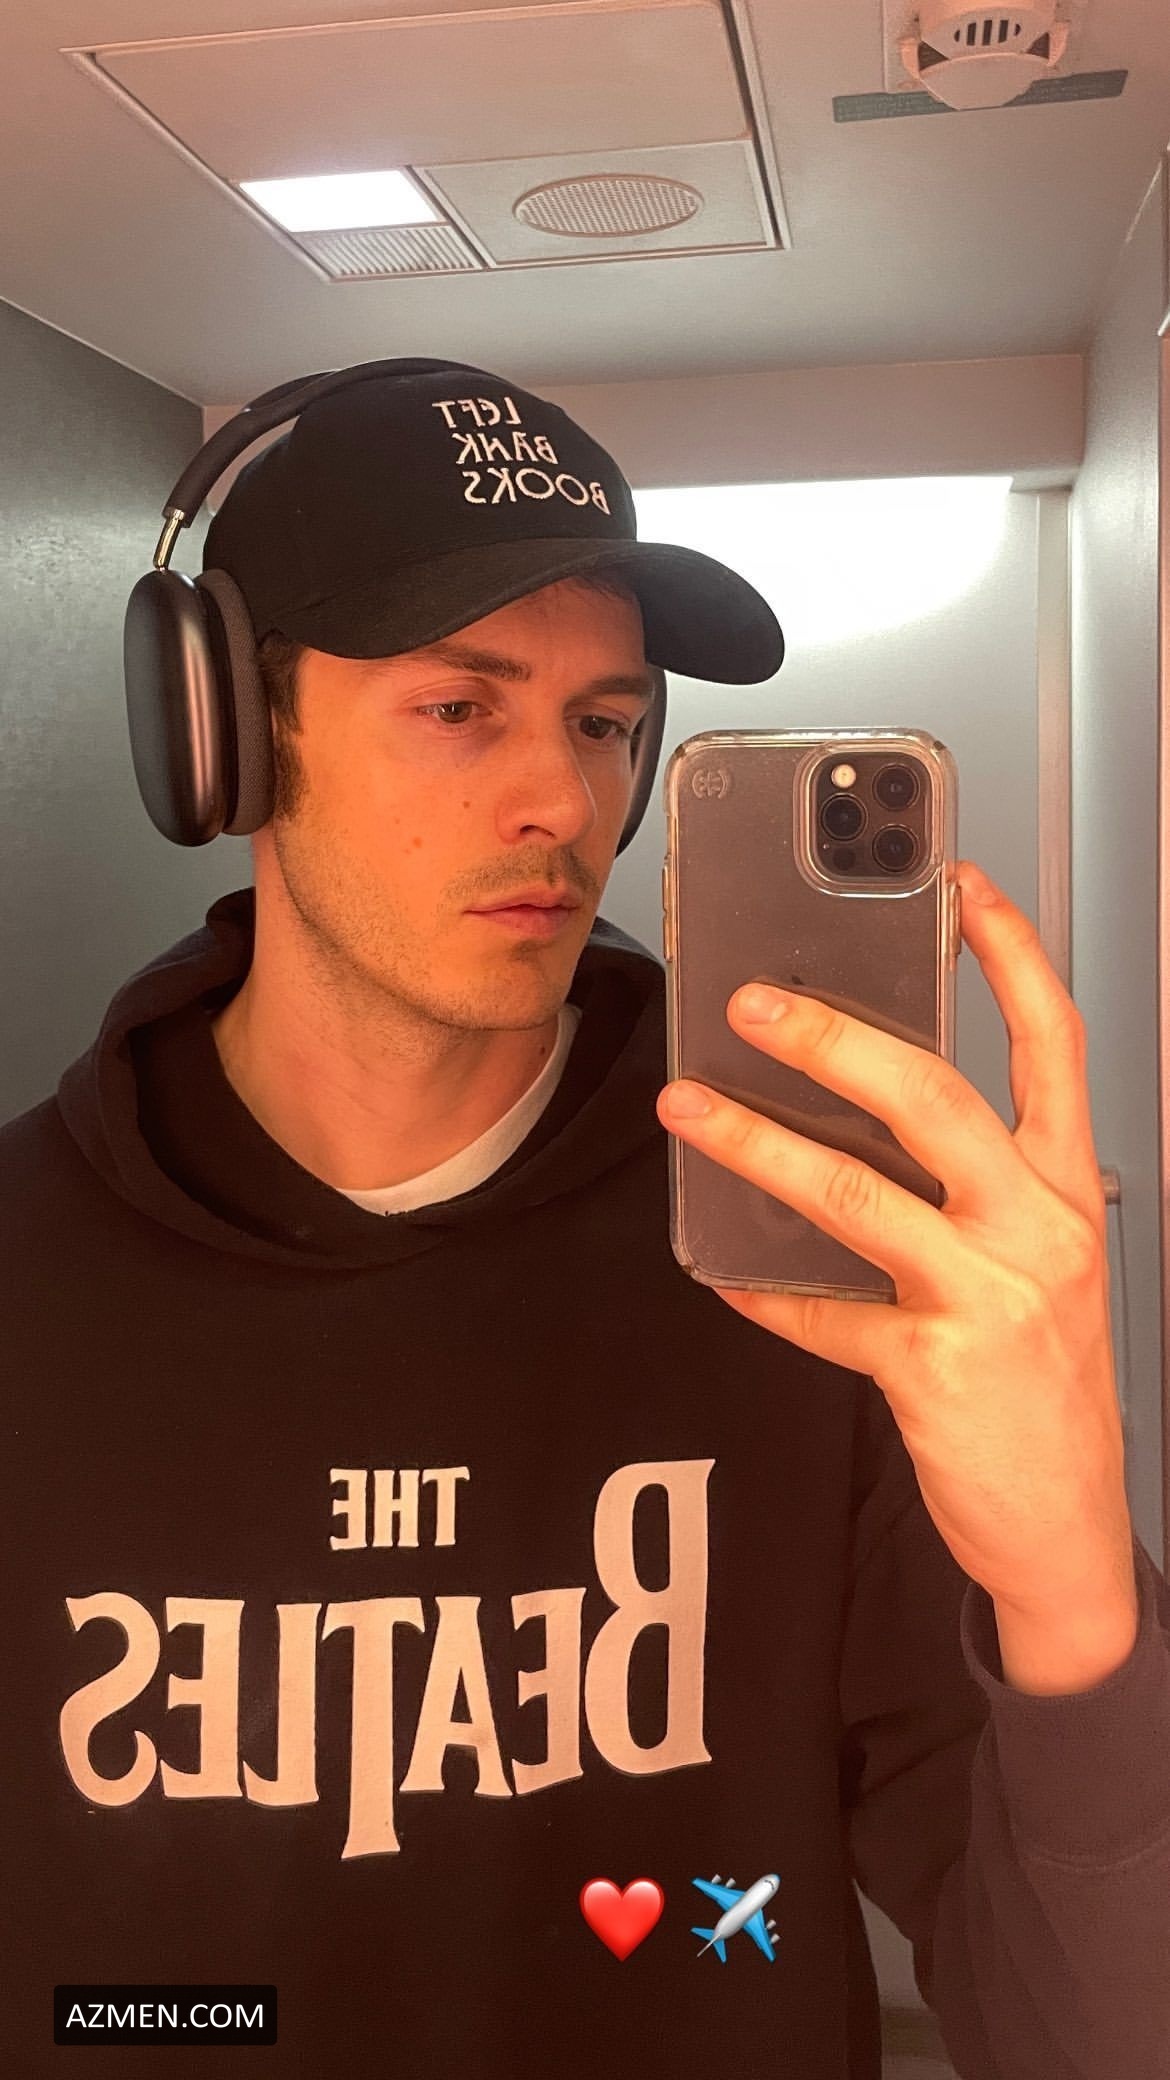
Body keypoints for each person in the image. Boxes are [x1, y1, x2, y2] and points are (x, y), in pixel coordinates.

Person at [3, 360, 1168, 2080]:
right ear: (226, 735)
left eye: (606, 722)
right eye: (457, 707)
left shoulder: (815, 1269)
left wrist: (1074, 1590)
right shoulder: (25, 1279)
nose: (560, 799)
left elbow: (1082, 2035)